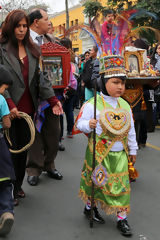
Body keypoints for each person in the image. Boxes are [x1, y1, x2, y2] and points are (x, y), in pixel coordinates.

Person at [0, 10, 62, 205]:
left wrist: (53, 100)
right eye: (18, 26)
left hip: (28, 109)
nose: (21, 30)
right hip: (8, 110)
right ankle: (8, 189)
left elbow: (41, 80)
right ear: (11, 26)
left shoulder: (33, 49)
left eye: (24, 26)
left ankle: (17, 186)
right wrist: (9, 104)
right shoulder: (1, 49)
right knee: (9, 151)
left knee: (23, 151)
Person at [77, 56, 138, 236]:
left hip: (120, 155)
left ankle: (122, 218)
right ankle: (90, 207)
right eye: (116, 82)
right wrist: (89, 125)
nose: (121, 87)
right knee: (97, 183)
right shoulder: (93, 104)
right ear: (103, 82)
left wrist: (133, 149)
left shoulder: (125, 105)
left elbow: (131, 130)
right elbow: (80, 124)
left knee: (121, 187)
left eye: (123, 83)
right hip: (99, 154)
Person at [26, 8, 63, 186]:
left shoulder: (52, 41)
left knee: (53, 132)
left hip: (52, 97)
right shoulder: (23, 41)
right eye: (46, 19)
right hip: (30, 95)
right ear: (36, 22)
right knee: (34, 133)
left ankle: (50, 164)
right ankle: (33, 169)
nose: (49, 22)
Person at [0, 65, 15, 236]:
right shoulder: (1, 100)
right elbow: (6, 124)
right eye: (4, 88)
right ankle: (6, 212)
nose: (4, 91)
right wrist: (8, 118)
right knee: (4, 182)